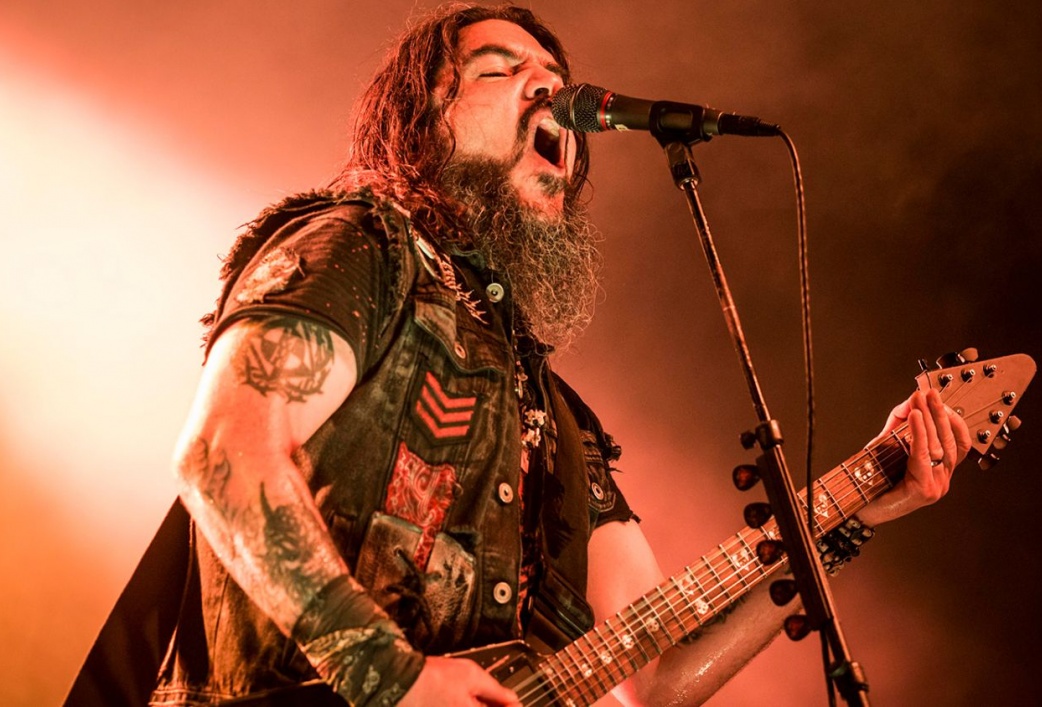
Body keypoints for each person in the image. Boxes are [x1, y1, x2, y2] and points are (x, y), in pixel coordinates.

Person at [69, 4, 972, 706]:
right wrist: (391, 673)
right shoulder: (362, 249)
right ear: (422, 119)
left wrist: (851, 514)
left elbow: (652, 677)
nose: (548, 92)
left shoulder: (561, 422)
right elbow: (224, 454)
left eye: (557, 79)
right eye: (501, 71)